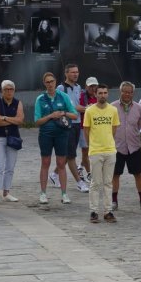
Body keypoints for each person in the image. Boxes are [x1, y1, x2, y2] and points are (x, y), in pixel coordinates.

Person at [33, 72, 77, 206]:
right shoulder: (40, 99)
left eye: (52, 81)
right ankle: (43, 194)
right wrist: (51, 116)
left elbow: (74, 115)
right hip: (45, 134)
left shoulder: (63, 96)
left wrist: (63, 113)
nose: (50, 84)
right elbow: (37, 121)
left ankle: (64, 194)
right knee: (45, 162)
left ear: (55, 82)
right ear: (44, 83)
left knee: (61, 163)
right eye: (47, 82)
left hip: (62, 134)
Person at [83, 84, 119, 223]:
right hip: (96, 151)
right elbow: (86, 130)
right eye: (100, 93)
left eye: (105, 93)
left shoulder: (113, 110)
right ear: (95, 94)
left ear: (108, 94)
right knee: (95, 182)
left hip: (110, 150)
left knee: (108, 182)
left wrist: (109, 143)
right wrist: (92, 145)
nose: (102, 95)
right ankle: (93, 211)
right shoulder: (90, 111)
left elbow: (114, 128)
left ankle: (108, 211)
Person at [112, 81, 141, 211]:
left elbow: (139, 124)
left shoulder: (138, 107)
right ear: (120, 92)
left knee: (138, 174)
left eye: (130, 92)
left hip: (134, 146)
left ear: (133, 93)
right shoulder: (112, 107)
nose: (127, 94)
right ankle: (114, 201)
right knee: (115, 174)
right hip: (117, 146)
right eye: (124, 91)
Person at [0, 80, 23, 205]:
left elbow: (20, 120)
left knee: (10, 167)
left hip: (13, 137)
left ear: (14, 90)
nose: (8, 92)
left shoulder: (18, 103)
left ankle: (6, 192)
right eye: (6, 89)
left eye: (11, 89)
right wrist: (12, 120)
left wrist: (4, 118)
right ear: (2, 91)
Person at [59, 65, 90, 193]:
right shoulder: (61, 88)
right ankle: (79, 182)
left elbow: (80, 105)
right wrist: (84, 108)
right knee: (71, 155)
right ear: (66, 73)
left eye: (77, 72)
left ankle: (55, 175)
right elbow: (68, 106)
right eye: (72, 72)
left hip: (78, 124)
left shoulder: (78, 87)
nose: (75, 74)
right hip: (67, 124)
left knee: (70, 153)